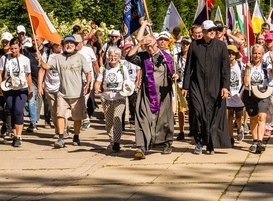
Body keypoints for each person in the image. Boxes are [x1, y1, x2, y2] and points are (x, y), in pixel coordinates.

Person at [127, 22, 178, 158]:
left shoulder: (167, 57)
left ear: (156, 44)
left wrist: (175, 75)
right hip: (146, 92)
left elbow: (176, 71)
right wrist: (139, 44)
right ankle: (141, 147)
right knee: (142, 117)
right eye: (147, 46)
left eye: (151, 46)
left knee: (165, 119)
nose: (149, 49)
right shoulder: (144, 56)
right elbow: (129, 56)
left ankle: (167, 142)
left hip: (163, 93)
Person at [181, 20, 230, 155]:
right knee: (198, 113)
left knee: (211, 116)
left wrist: (225, 86)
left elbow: (225, 68)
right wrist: (185, 86)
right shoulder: (194, 46)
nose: (213, 32)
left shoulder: (221, 46)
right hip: (197, 86)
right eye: (209, 30)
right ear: (203, 32)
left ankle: (210, 144)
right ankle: (198, 141)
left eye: (214, 29)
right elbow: (188, 67)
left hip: (215, 86)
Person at [40, 34, 92, 148]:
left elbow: (88, 73)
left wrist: (88, 84)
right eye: (66, 43)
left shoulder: (80, 58)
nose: (69, 45)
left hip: (77, 94)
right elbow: (46, 67)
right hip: (62, 94)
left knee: (77, 117)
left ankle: (76, 136)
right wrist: (39, 59)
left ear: (75, 45)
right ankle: (61, 138)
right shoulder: (58, 58)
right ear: (63, 45)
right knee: (60, 115)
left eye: (71, 43)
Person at [0, 38, 33, 147]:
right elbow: (0, 73)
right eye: (12, 48)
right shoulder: (4, 58)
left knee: (18, 110)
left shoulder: (25, 60)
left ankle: (19, 136)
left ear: (20, 47)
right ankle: (14, 133)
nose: (14, 51)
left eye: (16, 48)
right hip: (9, 88)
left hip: (22, 88)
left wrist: (30, 89)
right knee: (11, 110)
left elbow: (28, 75)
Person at [94, 46, 130, 152]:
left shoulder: (123, 68)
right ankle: (112, 140)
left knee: (117, 118)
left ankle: (117, 141)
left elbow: (128, 82)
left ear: (119, 57)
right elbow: (98, 81)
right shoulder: (104, 68)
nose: (113, 58)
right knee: (109, 121)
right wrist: (96, 88)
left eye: (115, 56)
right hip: (106, 98)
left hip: (120, 97)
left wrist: (129, 89)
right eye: (110, 56)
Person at [243, 44, 272, 154]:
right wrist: (246, 70)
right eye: (255, 53)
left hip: (263, 93)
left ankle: (260, 141)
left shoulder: (265, 65)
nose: (257, 55)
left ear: (262, 54)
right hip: (250, 93)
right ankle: (254, 140)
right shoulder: (247, 65)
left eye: (259, 53)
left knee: (262, 116)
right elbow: (246, 83)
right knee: (254, 117)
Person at [226, 45, 245, 147]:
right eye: (228, 53)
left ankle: (239, 128)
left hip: (238, 94)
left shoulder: (240, 65)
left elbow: (243, 77)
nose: (230, 55)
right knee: (229, 116)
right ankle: (230, 137)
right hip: (228, 95)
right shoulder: (224, 65)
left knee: (238, 116)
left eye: (232, 53)